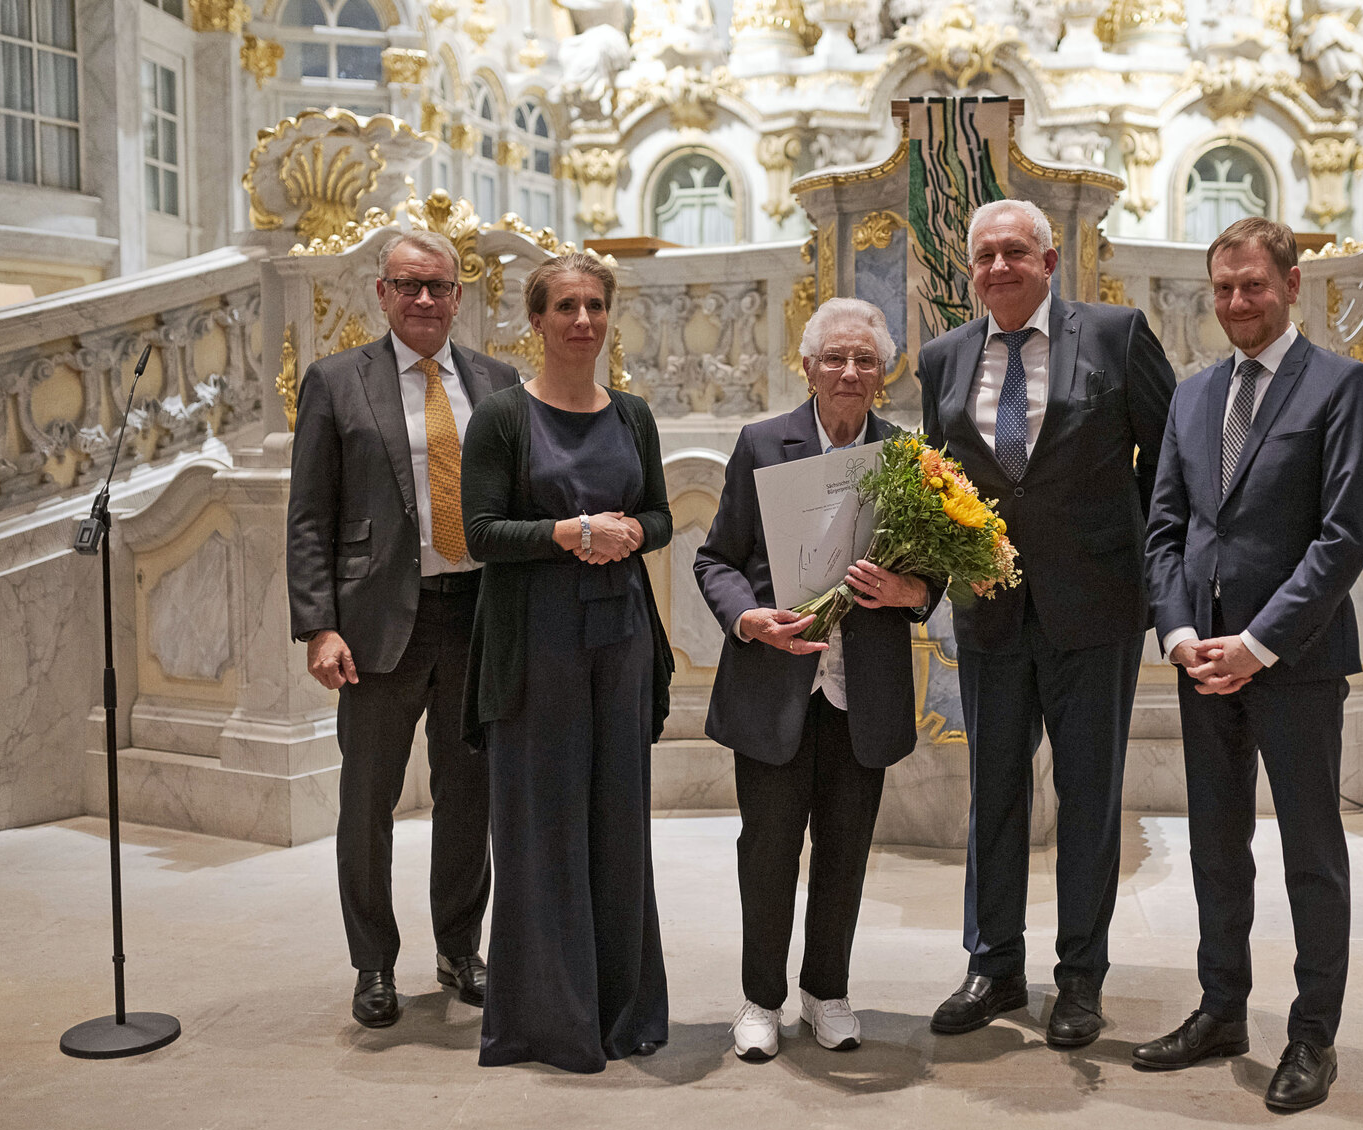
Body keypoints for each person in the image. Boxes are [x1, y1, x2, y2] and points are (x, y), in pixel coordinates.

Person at [1137, 217, 1363, 1111]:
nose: (1238, 302)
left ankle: (1313, 1034)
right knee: (1214, 844)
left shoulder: (1339, 386)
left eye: (1253, 285)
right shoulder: (1194, 395)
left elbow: (1342, 537)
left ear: (1290, 285)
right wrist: (1177, 635)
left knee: (1311, 852)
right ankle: (1221, 1006)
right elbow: (1165, 529)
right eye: (1224, 288)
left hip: (1298, 661)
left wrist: (1258, 642)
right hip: (1201, 660)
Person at [917, 199, 1176, 1046]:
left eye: (1015, 252)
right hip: (990, 611)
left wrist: (1128, 554)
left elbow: (1166, 460)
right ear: (971, 269)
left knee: (1089, 796)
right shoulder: (942, 359)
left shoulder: (1114, 335)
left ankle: (1079, 978)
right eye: (985, 255)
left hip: (1094, 608)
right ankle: (992, 966)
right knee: (994, 794)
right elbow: (937, 478)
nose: (998, 267)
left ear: (1050, 259)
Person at [694, 299, 937, 1062]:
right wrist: (749, 618)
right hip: (776, 688)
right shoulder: (764, 443)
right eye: (835, 358)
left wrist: (913, 593)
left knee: (845, 851)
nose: (850, 372)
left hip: (858, 695)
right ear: (808, 367)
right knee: (767, 851)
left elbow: (933, 572)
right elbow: (716, 558)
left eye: (866, 360)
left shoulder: (908, 455)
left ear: (883, 372)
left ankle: (827, 991)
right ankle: (760, 998)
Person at [287, 229, 515, 1029]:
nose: (424, 299)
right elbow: (310, 516)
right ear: (381, 294)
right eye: (407, 285)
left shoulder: (496, 380)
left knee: (469, 798)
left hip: (477, 617)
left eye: (438, 287)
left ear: (460, 296)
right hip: (378, 623)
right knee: (367, 802)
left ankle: (460, 948)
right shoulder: (336, 381)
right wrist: (318, 625)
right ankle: (373, 962)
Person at [458, 252, 674, 1073]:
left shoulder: (635, 415)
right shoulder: (504, 418)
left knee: (618, 826)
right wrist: (569, 533)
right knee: (542, 828)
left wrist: (629, 533)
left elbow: (656, 515)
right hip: (536, 643)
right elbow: (477, 535)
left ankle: (622, 1014)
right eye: (565, 307)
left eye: (594, 305)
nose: (582, 320)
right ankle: (549, 1022)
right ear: (537, 320)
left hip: (619, 639)